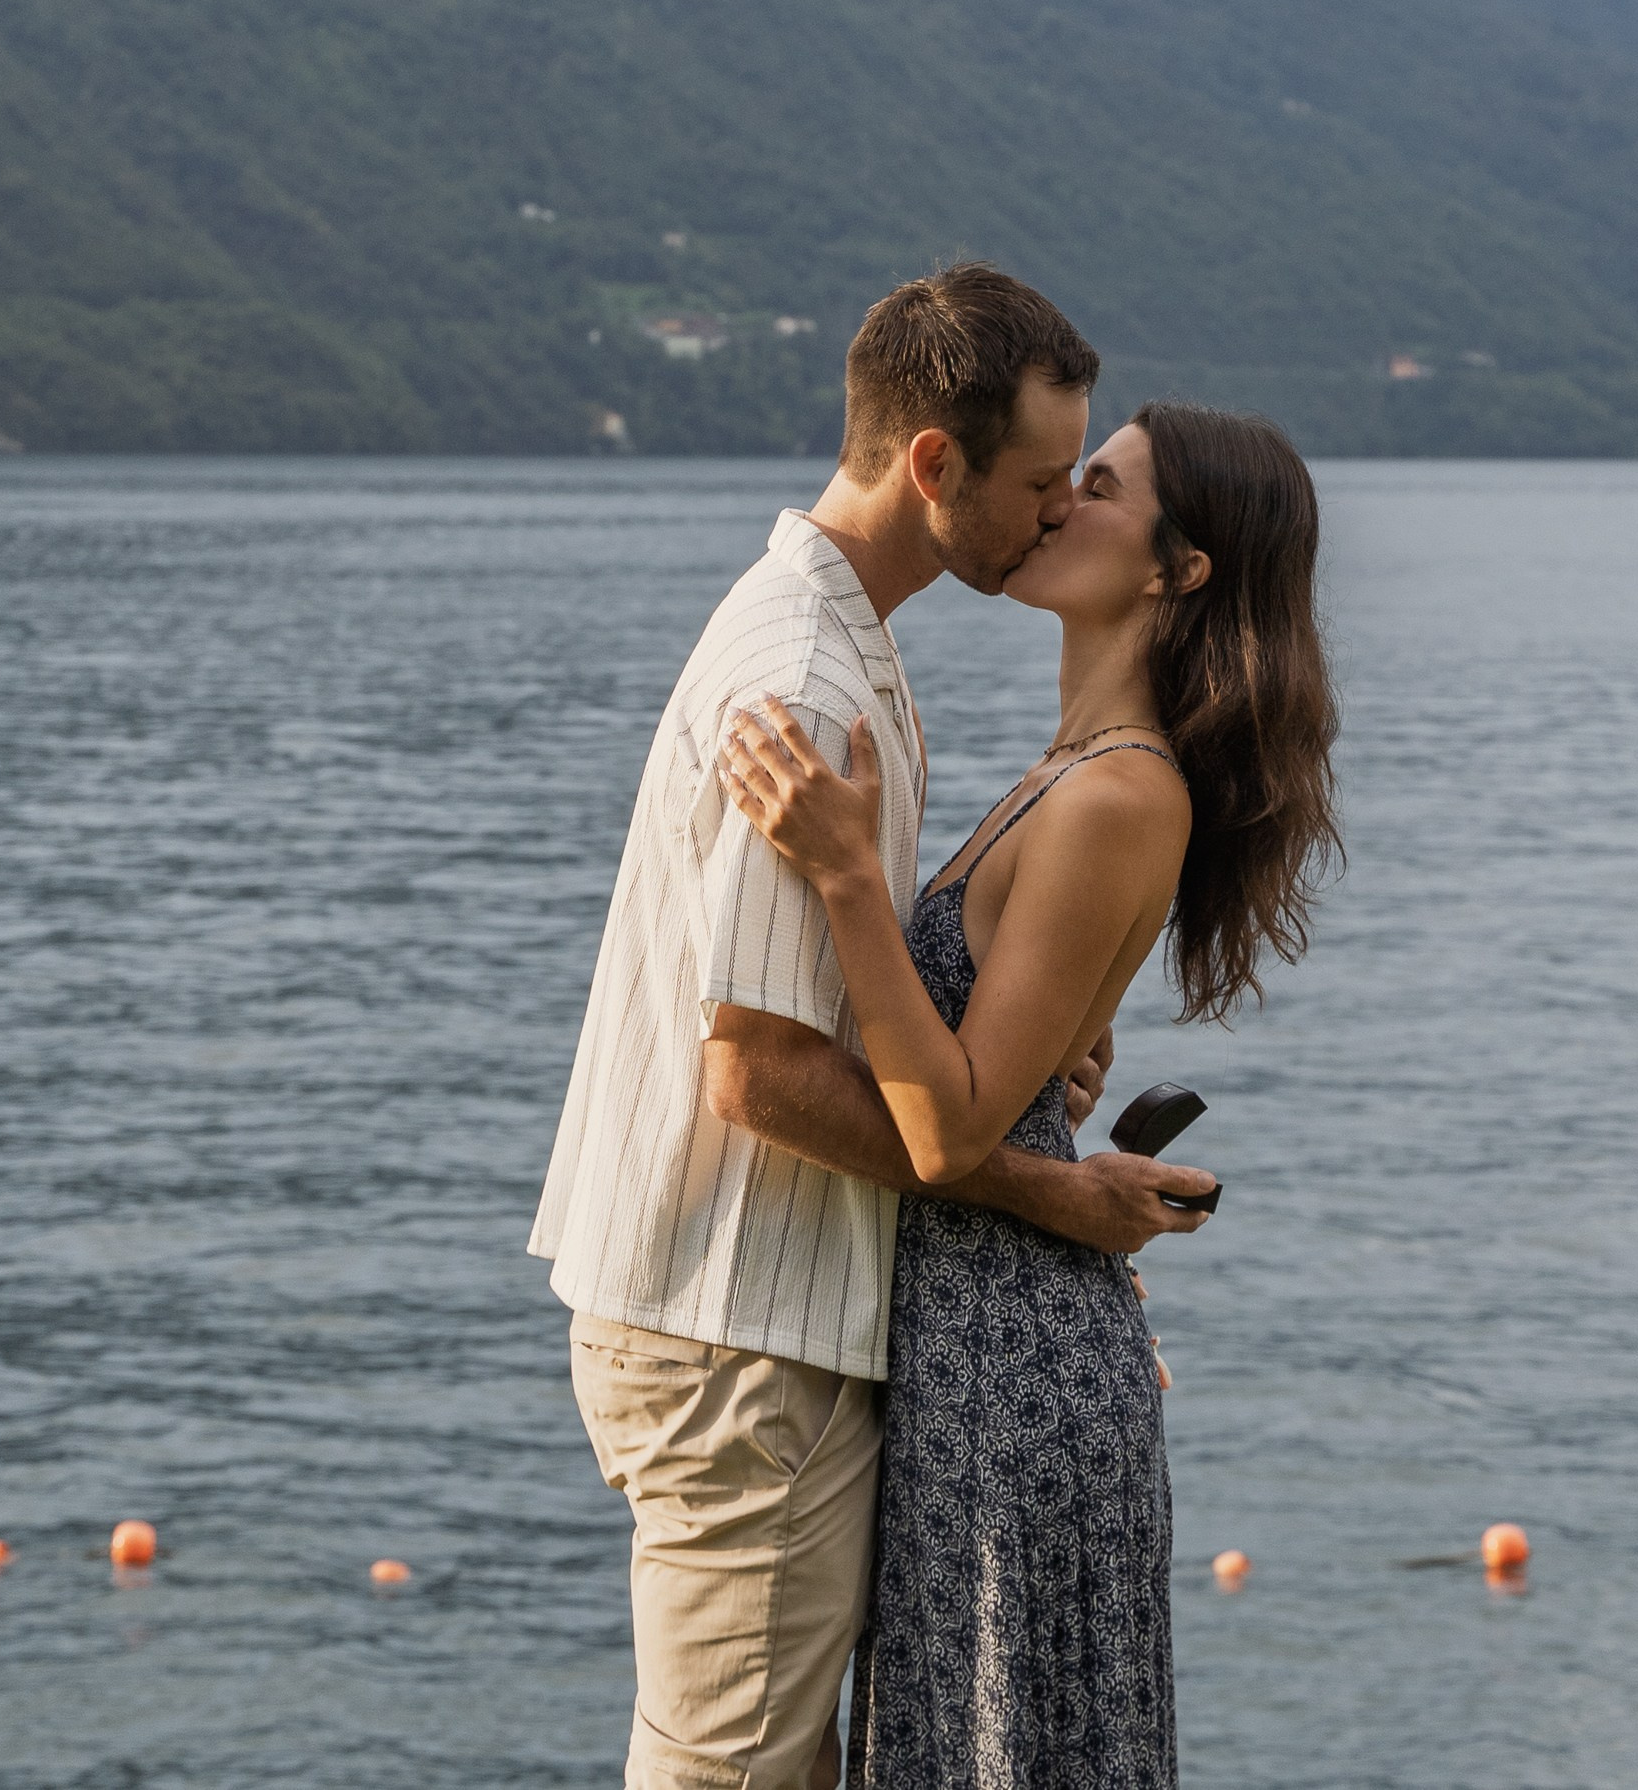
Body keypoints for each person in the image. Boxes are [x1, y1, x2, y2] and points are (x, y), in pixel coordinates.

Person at [531, 267, 1218, 1790]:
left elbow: (859, 1026)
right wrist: (1059, 1195)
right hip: (740, 1327)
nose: (1053, 512)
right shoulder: (808, 676)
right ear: (934, 464)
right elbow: (760, 1066)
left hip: (762, 1319)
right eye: (1045, 480)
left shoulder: (853, 648)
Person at [720, 400, 1341, 1790]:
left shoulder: (1120, 794)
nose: (1055, 503)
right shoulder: (1067, 771)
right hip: (976, 1349)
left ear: (1177, 569)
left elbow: (944, 1130)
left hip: (1015, 1381)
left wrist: (839, 879)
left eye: (1098, 488)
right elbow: (989, 1072)